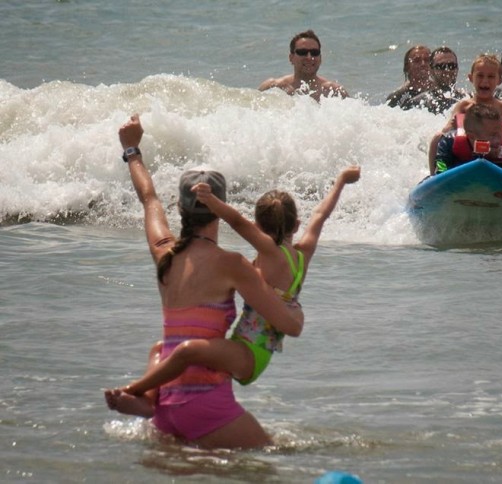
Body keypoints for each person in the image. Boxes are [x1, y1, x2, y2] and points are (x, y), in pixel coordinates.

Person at [104, 114, 305, 450]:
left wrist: (132, 150)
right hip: (204, 406)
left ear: (181, 209)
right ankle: (135, 391)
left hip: (165, 409)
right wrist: (293, 307)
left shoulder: (163, 253)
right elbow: (288, 325)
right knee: (276, 463)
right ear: (219, 206)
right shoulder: (233, 265)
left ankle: (143, 398)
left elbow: (149, 199)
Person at [114, 165, 361, 400]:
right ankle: (147, 401)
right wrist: (341, 181)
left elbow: (238, 223)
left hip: (248, 350)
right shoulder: (304, 254)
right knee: (163, 351)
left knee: (186, 352)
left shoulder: (270, 251)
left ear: (258, 227)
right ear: (296, 225)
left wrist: (212, 201)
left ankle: (134, 389)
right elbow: (320, 215)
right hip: (261, 350)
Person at [432, 102, 502, 181]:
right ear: (472, 137)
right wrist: (478, 156)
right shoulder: (449, 143)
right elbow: (441, 171)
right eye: (493, 135)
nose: (501, 140)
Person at [258, 29, 348, 101]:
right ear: (291, 58)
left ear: (320, 58)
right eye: (303, 52)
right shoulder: (273, 87)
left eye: (314, 52)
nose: (309, 57)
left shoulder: (334, 92)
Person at [402, 46, 468, 114]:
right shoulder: (416, 103)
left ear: (457, 69)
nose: (447, 70)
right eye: (441, 66)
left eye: (452, 66)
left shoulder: (467, 99)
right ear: (431, 70)